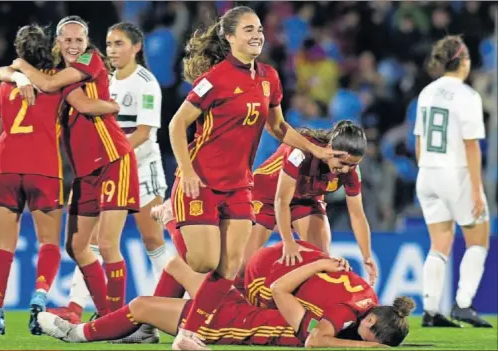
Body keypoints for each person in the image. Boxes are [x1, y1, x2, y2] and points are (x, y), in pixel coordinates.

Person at [168, 6, 344, 349]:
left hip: (239, 185)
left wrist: (318, 151)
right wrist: (186, 170)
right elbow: (177, 124)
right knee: (203, 261)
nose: (257, 35)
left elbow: (278, 127)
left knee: (230, 267)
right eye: (248, 29)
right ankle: (169, 235)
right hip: (201, 180)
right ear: (230, 37)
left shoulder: (269, 77)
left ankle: (187, 335)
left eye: (259, 28)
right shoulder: (214, 79)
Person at [0, 24, 119, 335]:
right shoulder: (56, 84)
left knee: (3, 244)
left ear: (19, 52)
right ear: (50, 49)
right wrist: (112, 106)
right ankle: (40, 295)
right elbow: (84, 105)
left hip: (5, 168)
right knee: (48, 242)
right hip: (44, 168)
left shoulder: (5, 86)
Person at [0, 16, 140, 319]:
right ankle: (103, 314)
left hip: (112, 158)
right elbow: (4, 71)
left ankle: (119, 320)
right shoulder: (60, 73)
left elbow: (72, 98)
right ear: (57, 43)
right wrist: (20, 74)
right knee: (75, 246)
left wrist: (22, 69)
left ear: (86, 43)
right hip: (84, 170)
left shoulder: (90, 60)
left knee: (106, 243)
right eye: (68, 40)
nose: (74, 45)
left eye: (79, 39)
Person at [36, 245, 414, 348]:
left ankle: (79, 334)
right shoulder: (348, 310)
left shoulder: (332, 325)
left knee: (140, 306)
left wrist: (318, 265)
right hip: (245, 306)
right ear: (372, 317)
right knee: (177, 264)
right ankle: (146, 332)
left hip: (236, 324)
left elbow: (315, 341)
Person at [47, 22, 171, 326]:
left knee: (152, 238)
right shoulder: (104, 80)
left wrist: (109, 158)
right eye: (109, 44)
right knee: (91, 241)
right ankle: (76, 306)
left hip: (142, 166)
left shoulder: (146, 83)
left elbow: (143, 132)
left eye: (119, 44)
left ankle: (170, 305)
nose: (112, 50)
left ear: (137, 48)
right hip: (112, 165)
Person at [414, 35, 492, 328]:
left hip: (428, 173)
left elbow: (419, 141)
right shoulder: (467, 96)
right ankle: (463, 305)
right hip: (455, 171)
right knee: (479, 239)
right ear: (464, 61)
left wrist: (427, 172)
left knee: (440, 244)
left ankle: (431, 311)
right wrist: (475, 189)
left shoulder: (427, 92)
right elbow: (471, 146)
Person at [243, 121, 378, 286]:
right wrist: (288, 241)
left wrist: (367, 256)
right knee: (243, 267)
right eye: (342, 163)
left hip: (306, 199)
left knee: (321, 261)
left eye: (352, 165)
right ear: (329, 148)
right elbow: (281, 200)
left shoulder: (351, 172)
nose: (345, 170)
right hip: (266, 195)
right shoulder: (300, 153)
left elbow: (357, 214)